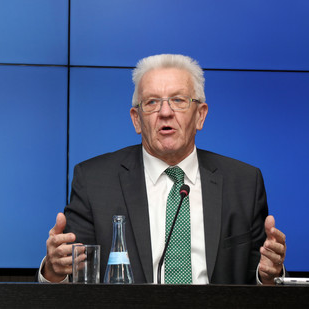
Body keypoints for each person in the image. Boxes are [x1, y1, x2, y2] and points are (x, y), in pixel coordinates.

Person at [40, 54, 286, 285]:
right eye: (152, 102)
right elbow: (73, 277)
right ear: (136, 119)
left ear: (200, 115)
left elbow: (261, 277)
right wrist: (54, 270)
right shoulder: (94, 181)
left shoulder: (243, 183)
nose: (165, 112)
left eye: (178, 100)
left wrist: (267, 275)